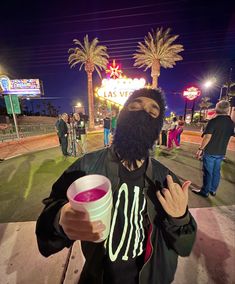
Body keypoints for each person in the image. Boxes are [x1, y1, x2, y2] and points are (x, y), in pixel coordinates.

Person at [36, 88, 197, 284]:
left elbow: (184, 246)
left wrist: (180, 219)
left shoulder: (165, 180)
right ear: (121, 116)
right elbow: (46, 238)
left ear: (157, 128)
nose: (143, 111)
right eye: (135, 106)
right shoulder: (86, 168)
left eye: (152, 112)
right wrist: (59, 219)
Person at [192, 100, 234, 197]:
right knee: (216, 171)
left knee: (208, 172)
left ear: (217, 108)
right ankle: (213, 190)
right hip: (221, 152)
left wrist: (200, 149)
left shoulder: (214, 121)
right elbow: (230, 135)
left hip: (210, 151)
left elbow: (207, 137)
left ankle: (205, 191)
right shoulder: (231, 122)